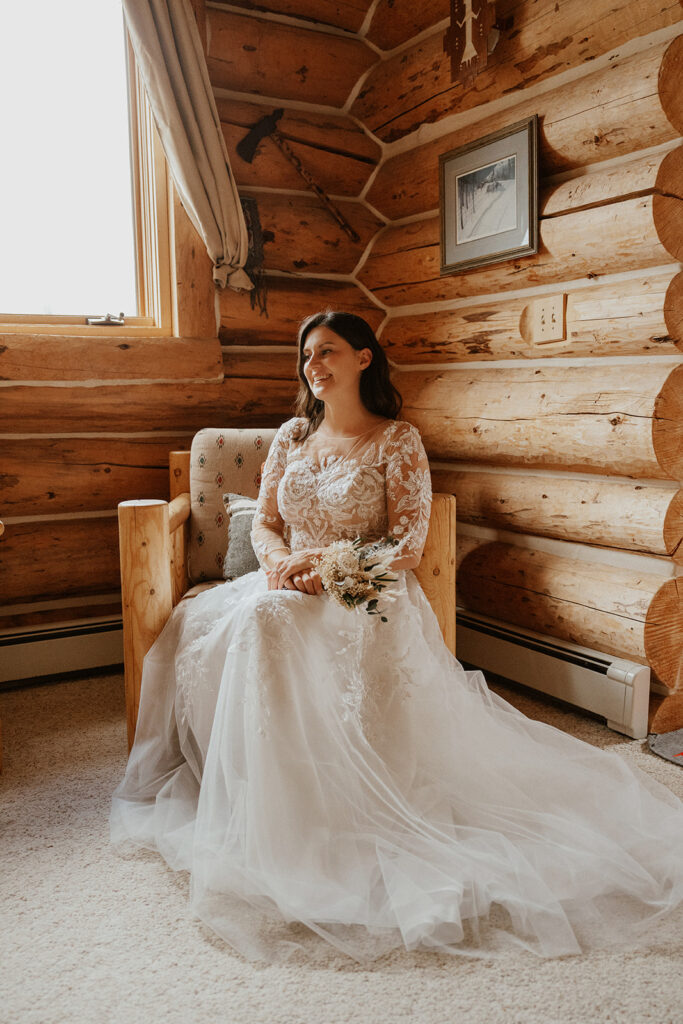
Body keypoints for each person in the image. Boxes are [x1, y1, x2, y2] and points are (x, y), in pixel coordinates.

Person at [111, 311, 683, 964]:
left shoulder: (395, 440)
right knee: (240, 621)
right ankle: (271, 804)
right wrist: (277, 563)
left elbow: (409, 543)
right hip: (280, 584)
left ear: (362, 358)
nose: (312, 365)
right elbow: (266, 521)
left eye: (326, 351)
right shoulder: (292, 436)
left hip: (364, 588)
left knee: (266, 624)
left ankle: (322, 808)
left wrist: (325, 566)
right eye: (305, 356)